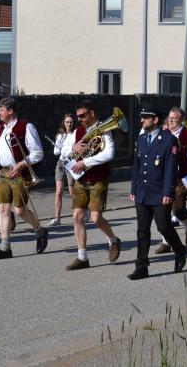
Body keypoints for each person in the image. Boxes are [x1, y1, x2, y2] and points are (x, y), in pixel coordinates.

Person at [128, 107, 187, 280]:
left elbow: (170, 169)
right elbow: (137, 166)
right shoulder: (141, 139)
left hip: (160, 192)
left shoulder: (169, 140)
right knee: (142, 229)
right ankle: (141, 266)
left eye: (145, 118)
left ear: (155, 120)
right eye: (141, 117)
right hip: (142, 191)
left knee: (163, 226)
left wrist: (168, 191)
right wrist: (133, 189)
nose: (142, 121)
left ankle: (180, 249)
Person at [63, 100, 122, 270]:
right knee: (77, 216)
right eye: (78, 116)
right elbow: (64, 152)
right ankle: (82, 257)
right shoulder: (77, 131)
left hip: (98, 179)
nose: (79, 119)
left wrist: (86, 161)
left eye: (82, 115)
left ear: (92, 113)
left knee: (95, 218)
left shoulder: (104, 130)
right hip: (81, 179)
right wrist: (73, 147)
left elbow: (109, 153)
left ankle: (113, 240)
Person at [0, 97, 48, 260]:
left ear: (10, 111)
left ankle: (40, 231)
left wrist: (21, 164)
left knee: (19, 210)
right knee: (3, 208)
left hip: (20, 172)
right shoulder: (0, 129)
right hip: (4, 172)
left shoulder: (26, 126)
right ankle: (5, 248)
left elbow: (38, 153)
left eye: (1, 110)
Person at [154, 107, 187, 254]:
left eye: (175, 118)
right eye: (170, 117)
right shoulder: (162, 134)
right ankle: (166, 242)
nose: (171, 120)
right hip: (163, 178)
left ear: (181, 120)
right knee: (163, 212)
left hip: (182, 178)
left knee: (178, 210)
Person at [47, 113, 76, 227]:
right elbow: (56, 152)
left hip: (71, 163)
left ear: (73, 123)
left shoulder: (75, 134)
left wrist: (66, 149)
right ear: (63, 123)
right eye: (67, 122)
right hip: (61, 163)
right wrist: (59, 148)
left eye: (71, 122)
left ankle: (78, 214)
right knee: (58, 191)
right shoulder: (60, 135)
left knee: (72, 192)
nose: (69, 124)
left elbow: (74, 151)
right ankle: (57, 218)